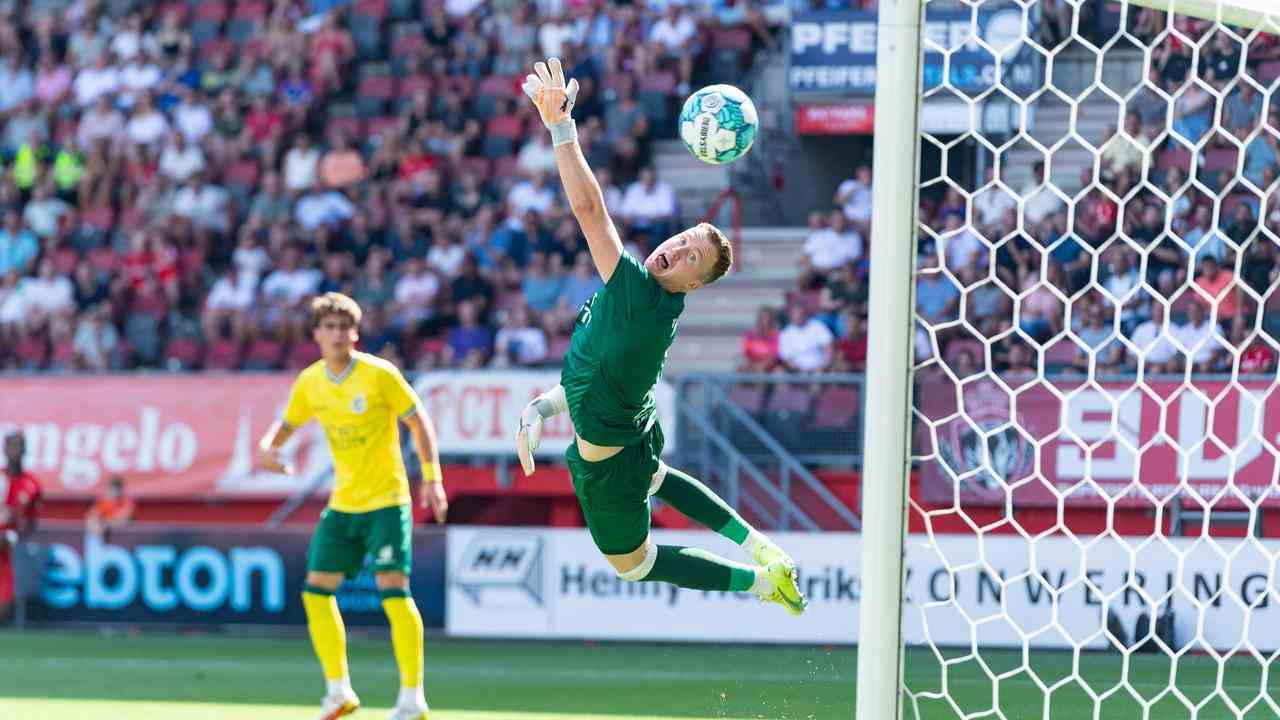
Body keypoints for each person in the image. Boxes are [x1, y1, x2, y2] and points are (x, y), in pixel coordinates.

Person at [512, 58, 806, 617]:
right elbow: (592, 369)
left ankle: (762, 582)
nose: (675, 249)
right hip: (630, 430)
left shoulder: (638, 296)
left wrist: (561, 128)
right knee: (656, 475)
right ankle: (762, 547)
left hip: (609, 465)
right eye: (682, 238)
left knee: (636, 563)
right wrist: (546, 406)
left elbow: (588, 209)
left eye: (690, 257)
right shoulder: (646, 292)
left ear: (693, 283)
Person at [257, 292, 448, 720]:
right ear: (317, 335)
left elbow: (419, 421)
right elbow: (286, 424)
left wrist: (433, 479)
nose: (338, 334)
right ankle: (337, 690)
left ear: (355, 333)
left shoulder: (379, 374)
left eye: (345, 327)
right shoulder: (311, 381)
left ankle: (412, 697)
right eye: (329, 327)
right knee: (315, 591)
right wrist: (269, 447)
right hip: (343, 504)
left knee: (394, 593)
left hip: (386, 500)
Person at [0, 432, 41, 626]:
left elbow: (32, 521)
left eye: (19, 446)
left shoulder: (32, 485)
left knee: (5, 606)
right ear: (4, 449)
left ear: (25, 450)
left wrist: (14, 536)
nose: (15, 451)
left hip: (6, 550)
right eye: (11, 446)